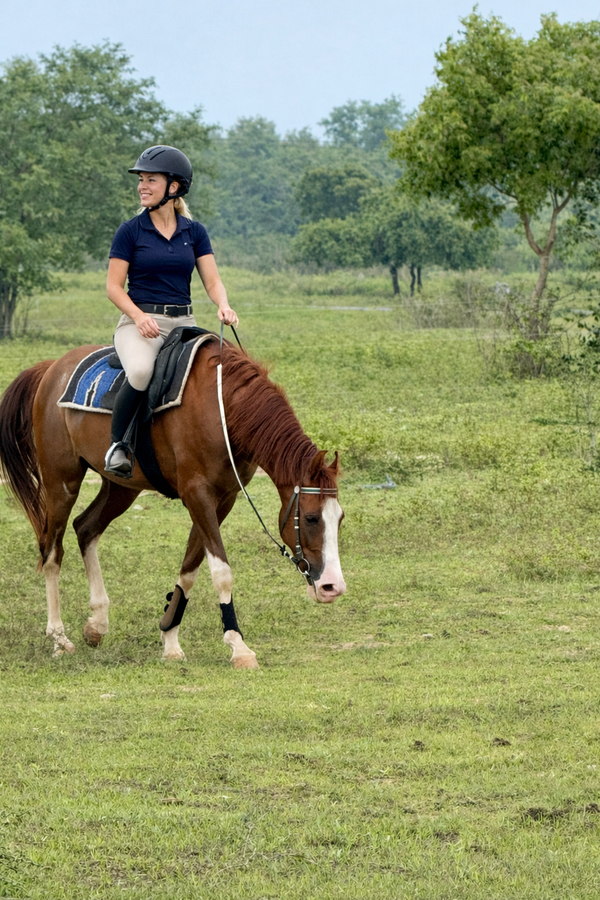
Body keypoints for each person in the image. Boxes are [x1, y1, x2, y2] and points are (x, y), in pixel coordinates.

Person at [104, 145, 239, 476]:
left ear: (173, 187)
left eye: (151, 180)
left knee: (216, 374)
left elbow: (212, 280)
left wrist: (223, 305)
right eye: (141, 180)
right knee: (139, 372)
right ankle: (118, 445)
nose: (142, 186)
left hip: (185, 324)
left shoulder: (194, 233)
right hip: (140, 325)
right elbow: (113, 287)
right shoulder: (130, 231)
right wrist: (138, 317)